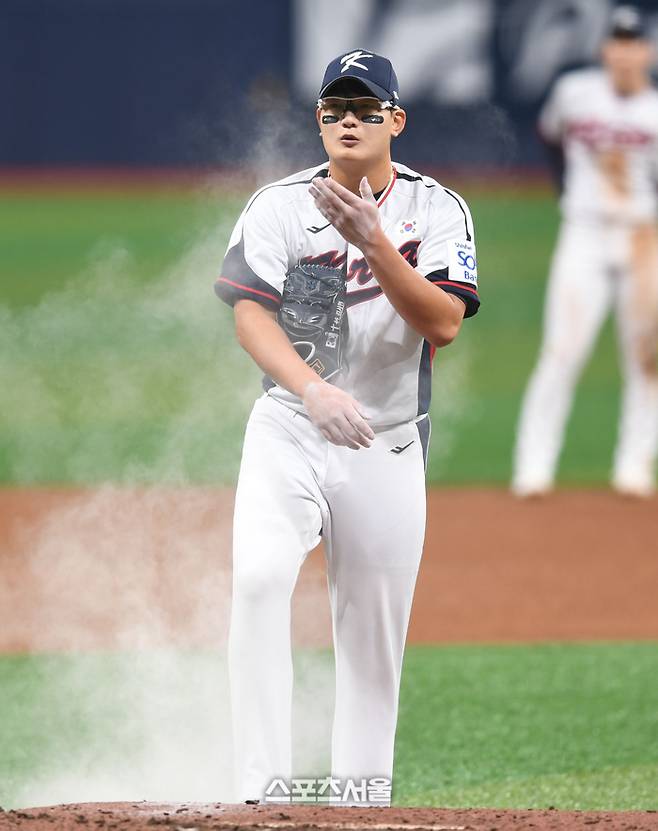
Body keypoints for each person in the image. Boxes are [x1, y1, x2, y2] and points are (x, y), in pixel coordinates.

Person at [215, 49, 480, 805]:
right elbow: (249, 313)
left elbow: (445, 322)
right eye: (335, 109)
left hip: (389, 443)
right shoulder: (279, 205)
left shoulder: (436, 210)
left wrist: (374, 243)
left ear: (396, 120)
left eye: (367, 109)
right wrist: (310, 389)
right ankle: (260, 795)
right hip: (290, 430)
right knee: (262, 580)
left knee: (371, 645)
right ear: (320, 121)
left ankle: (358, 808)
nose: (349, 121)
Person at [512, 6, 658, 498]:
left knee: (647, 356)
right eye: (617, 43)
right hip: (584, 233)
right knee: (561, 350)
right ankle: (533, 467)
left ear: (647, 52)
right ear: (605, 50)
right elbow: (550, 139)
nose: (624, 52)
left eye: (633, 43)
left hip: (643, 237)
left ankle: (633, 466)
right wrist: (565, 192)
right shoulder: (574, 94)